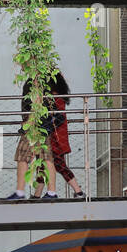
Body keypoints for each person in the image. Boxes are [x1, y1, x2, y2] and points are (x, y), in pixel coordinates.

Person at [3, 75, 59, 200]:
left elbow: (37, 103)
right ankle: (51, 192)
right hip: (41, 125)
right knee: (46, 157)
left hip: (34, 127)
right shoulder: (42, 79)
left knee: (22, 156)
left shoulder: (35, 79)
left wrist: (28, 124)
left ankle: (20, 192)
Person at [45, 71, 84, 199]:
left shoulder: (53, 96)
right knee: (53, 164)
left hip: (54, 134)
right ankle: (78, 192)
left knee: (53, 163)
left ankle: (78, 192)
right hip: (58, 133)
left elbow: (56, 115)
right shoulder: (59, 95)